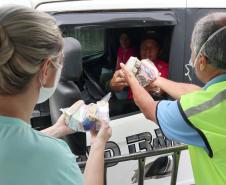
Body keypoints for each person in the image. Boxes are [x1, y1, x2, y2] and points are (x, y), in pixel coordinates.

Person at [0, 5, 111, 185]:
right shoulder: (51, 158)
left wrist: (58, 129)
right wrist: (98, 144)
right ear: (44, 70)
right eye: (60, 62)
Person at [120, 12, 226, 185]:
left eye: (191, 51)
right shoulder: (215, 97)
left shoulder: (197, 112)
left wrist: (131, 77)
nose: (190, 56)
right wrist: (156, 79)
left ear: (202, 61)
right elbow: (197, 93)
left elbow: (149, 109)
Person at [110, 34, 168, 98]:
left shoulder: (164, 66)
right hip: (131, 102)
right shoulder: (134, 64)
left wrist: (153, 87)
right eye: (144, 47)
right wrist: (114, 84)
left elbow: (160, 90)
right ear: (140, 49)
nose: (147, 50)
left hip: (150, 103)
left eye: (152, 48)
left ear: (159, 51)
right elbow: (117, 86)